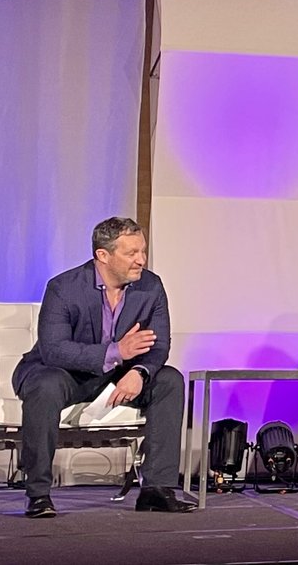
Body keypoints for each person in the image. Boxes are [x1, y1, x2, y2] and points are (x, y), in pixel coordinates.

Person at [12, 217, 194, 518]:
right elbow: (54, 349)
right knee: (44, 387)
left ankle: (157, 490)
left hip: (120, 374)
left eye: (143, 251)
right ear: (103, 256)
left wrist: (140, 372)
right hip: (63, 372)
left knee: (170, 380)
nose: (141, 260)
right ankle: (38, 493)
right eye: (132, 253)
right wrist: (117, 351)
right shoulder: (63, 288)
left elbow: (158, 344)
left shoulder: (151, 286)